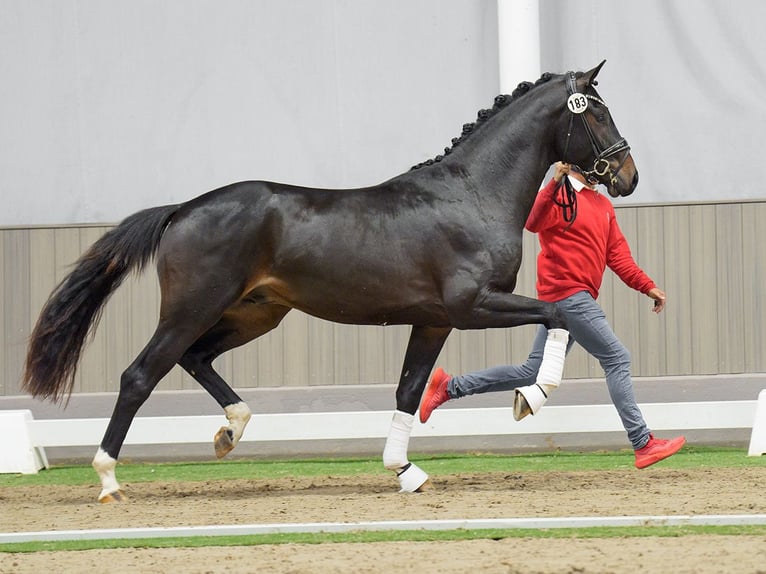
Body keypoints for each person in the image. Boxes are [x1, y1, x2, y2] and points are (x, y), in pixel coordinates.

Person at [419, 161, 685, 469]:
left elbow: (617, 255)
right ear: (580, 165)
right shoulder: (559, 195)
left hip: (571, 300)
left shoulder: (602, 204)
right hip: (568, 296)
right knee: (617, 358)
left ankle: (449, 387)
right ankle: (643, 443)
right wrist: (553, 182)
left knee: (531, 372)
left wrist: (646, 285)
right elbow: (533, 221)